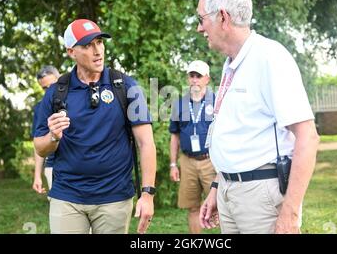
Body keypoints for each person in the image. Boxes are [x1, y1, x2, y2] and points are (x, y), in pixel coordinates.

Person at [197, 0, 320, 234]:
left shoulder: (269, 57)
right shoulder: (231, 63)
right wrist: (218, 187)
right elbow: (238, 135)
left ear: (222, 17)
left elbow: (308, 136)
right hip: (230, 190)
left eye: (202, 19)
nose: (200, 27)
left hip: (259, 195)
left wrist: (290, 212)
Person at [33, 19, 157, 234]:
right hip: (67, 196)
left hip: (114, 198)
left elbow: (146, 143)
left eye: (99, 42)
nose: (97, 51)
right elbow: (40, 147)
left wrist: (147, 194)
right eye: (88, 45)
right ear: (71, 51)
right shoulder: (56, 92)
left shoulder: (126, 86)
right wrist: (53, 135)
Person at [169, 60, 216, 234]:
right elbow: (174, 135)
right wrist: (173, 164)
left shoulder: (217, 101)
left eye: (199, 76)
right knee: (193, 208)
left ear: (207, 79)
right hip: (187, 161)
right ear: (188, 78)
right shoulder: (179, 104)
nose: (195, 79)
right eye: (192, 76)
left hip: (211, 160)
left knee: (221, 205)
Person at [32, 65, 60, 194]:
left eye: (53, 85)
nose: (50, 91)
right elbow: (38, 143)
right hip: (53, 166)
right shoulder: (40, 108)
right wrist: (37, 175)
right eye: (45, 88)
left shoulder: (76, 99)